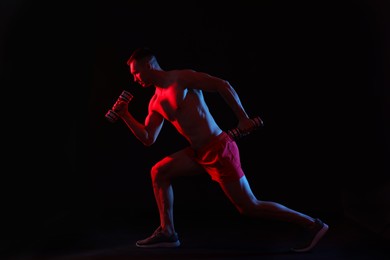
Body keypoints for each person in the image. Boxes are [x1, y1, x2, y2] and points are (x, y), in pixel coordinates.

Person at [111, 47, 329, 252]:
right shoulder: (155, 102)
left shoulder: (181, 78)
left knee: (249, 206)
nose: (135, 78)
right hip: (197, 153)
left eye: (136, 73)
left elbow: (222, 84)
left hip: (218, 149)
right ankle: (168, 232)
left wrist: (242, 118)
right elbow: (148, 138)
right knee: (159, 172)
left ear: (149, 65)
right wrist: (125, 115)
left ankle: (313, 224)